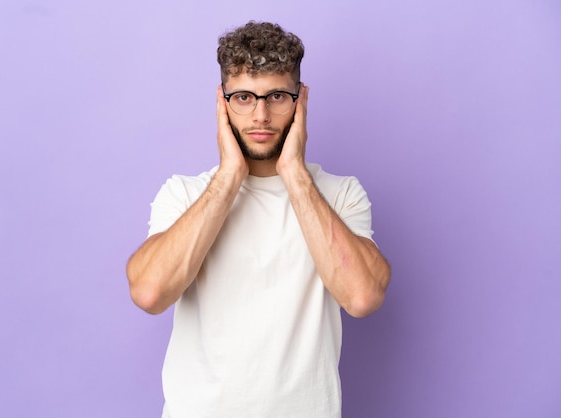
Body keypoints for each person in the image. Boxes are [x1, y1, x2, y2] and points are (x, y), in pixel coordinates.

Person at [126, 21, 391, 418]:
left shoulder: (340, 194)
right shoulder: (183, 194)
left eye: (277, 97)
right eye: (245, 97)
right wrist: (230, 177)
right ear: (223, 101)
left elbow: (362, 297)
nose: (261, 115)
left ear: (301, 101)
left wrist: (296, 176)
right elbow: (149, 293)